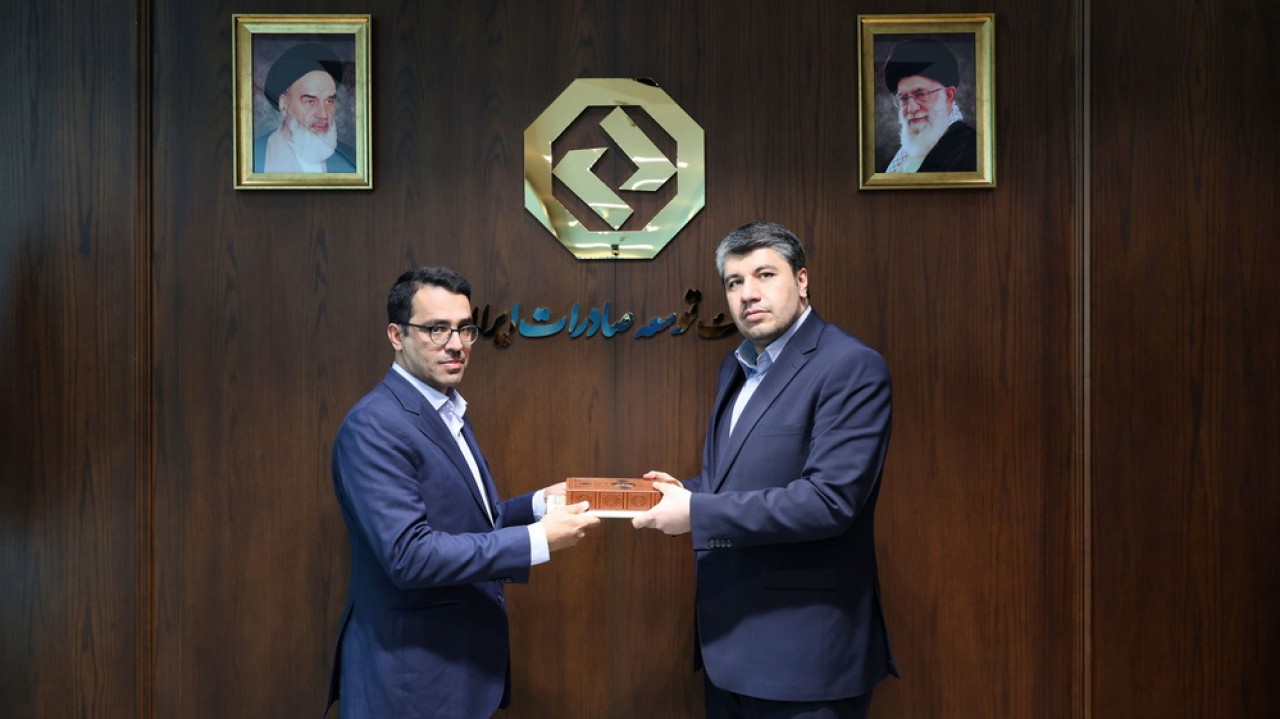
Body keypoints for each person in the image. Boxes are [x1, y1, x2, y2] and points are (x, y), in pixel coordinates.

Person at [632, 221, 897, 719]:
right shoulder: (736, 367)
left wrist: (696, 512)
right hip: (729, 650)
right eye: (734, 282)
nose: (748, 293)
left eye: (764, 275)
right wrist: (683, 492)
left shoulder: (850, 366)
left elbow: (829, 502)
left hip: (804, 659)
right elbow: (733, 482)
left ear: (802, 281)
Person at [324, 266, 601, 719]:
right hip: (409, 683)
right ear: (396, 335)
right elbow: (409, 556)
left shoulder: (445, 408)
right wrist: (536, 540)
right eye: (436, 329)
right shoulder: (374, 426)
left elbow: (470, 522)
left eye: (464, 329)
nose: (456, 344)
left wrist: (538, 505)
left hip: (455, 674)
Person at [254, 42, 357, 173]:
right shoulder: (255, 154)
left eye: (329, 101)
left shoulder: (352, 160)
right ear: (284, 104)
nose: (323, 115)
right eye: (310, 101)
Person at [881, 37, 977, 173]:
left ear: (949, 95)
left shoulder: (971, 150)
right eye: (904, 98)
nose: (911, 108)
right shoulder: (896, 159)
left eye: (920, 94)